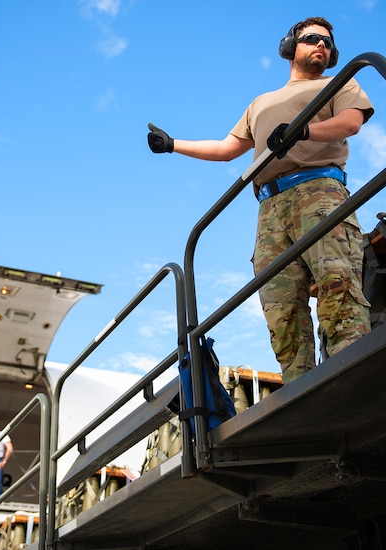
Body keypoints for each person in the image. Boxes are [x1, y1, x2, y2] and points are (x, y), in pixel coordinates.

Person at [147, 16, 373, 383]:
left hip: (319, 191)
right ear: (289, 46)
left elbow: (350, 123)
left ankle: (354, 373)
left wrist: (303, 131)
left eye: (328, 43)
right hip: (269, 207)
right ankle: (301, 386)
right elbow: (226, 149)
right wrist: (173, 145)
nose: (322, 46)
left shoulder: (339, 82)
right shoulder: (261, 104)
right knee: (280, 306)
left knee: (337, 285)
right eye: (312, 39)